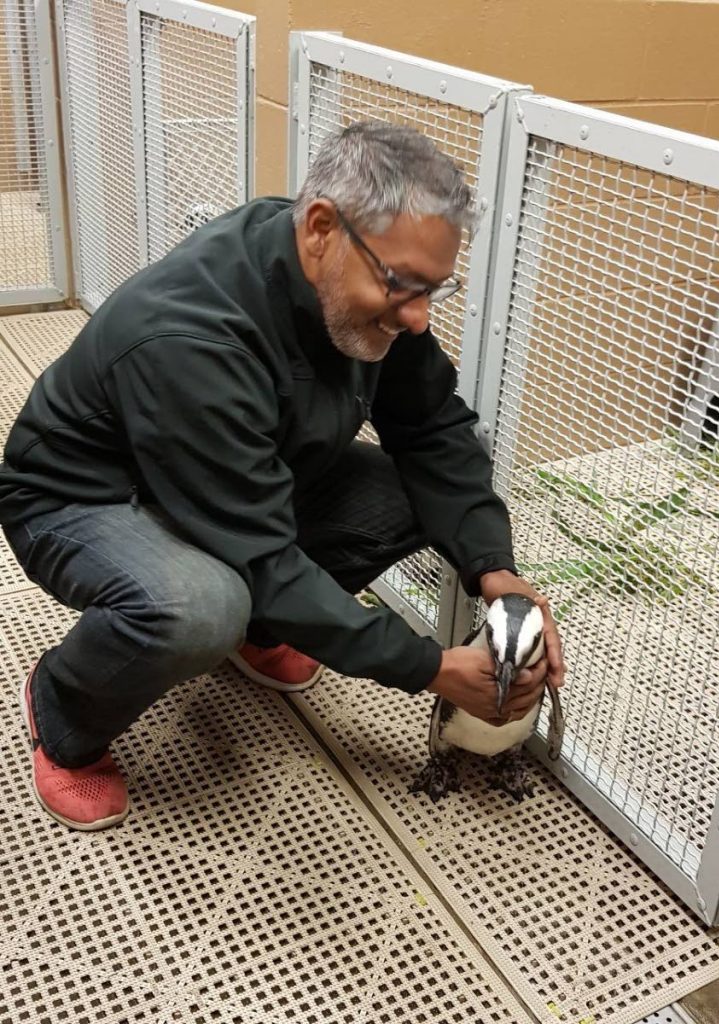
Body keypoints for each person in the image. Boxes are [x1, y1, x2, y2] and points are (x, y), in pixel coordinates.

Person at [0, 122, 564, 832]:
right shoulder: (194, 336)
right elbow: (262, 555)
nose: (420, 318)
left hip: (229, 482)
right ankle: (62, 708)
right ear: (321, 228)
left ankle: (260, 628)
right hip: (82, 498)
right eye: (402, 285)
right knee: (201, 604)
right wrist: (431, 667)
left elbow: (431, 429)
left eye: (435, 290)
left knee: (403, 497)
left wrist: (496, 570)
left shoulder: (353, 285)